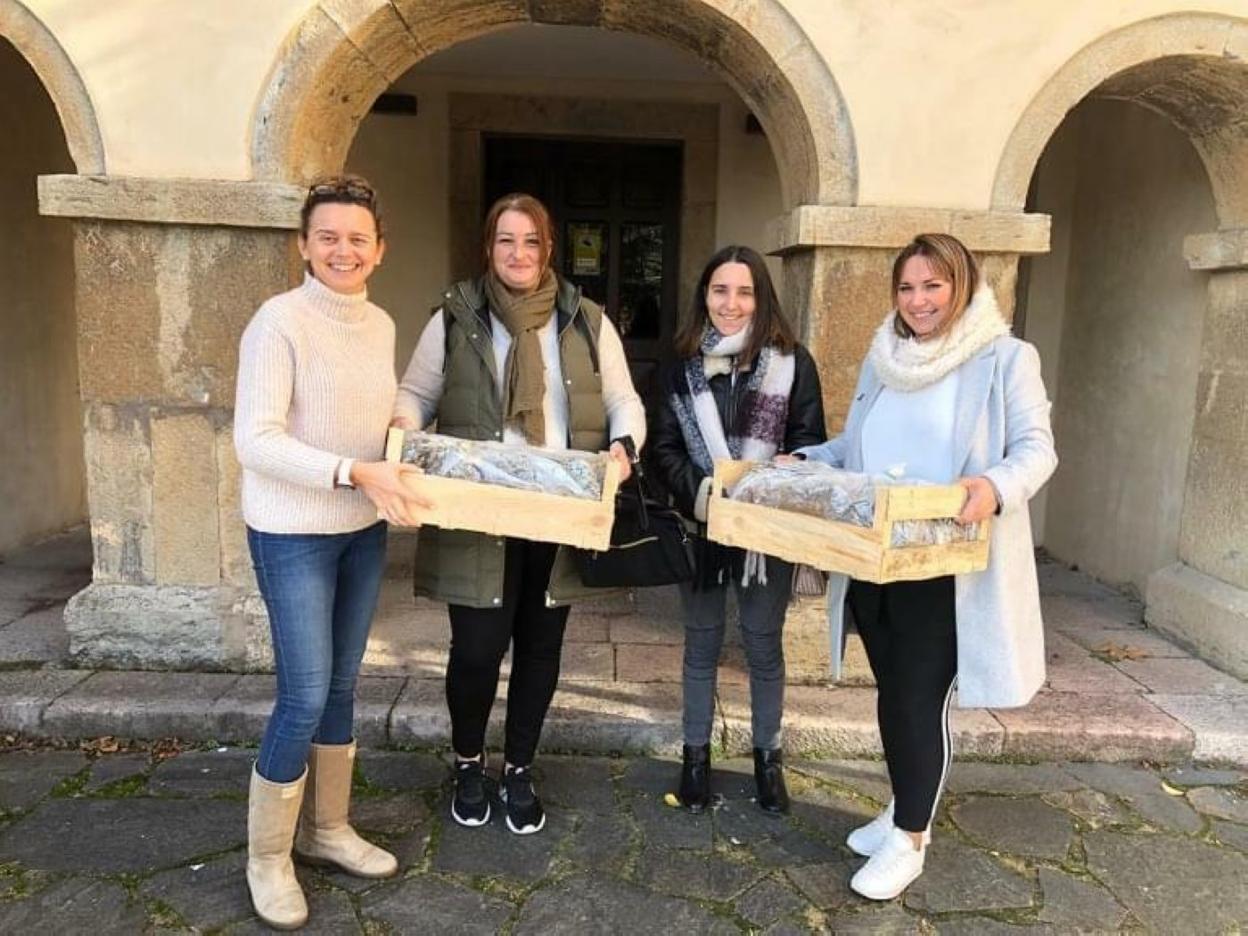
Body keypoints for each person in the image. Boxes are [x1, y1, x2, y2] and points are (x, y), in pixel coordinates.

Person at [793, 233, 1057, 900]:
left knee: (918, 698)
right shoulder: (884, 360)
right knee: (891, 691)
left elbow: (1036, 447)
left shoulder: (1004, 358)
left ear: (960, 286)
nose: (918, 300)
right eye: (907, 287)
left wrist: (994, 487)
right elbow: (855, 445)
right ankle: (900, 804)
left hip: (947, 562)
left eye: (932, 286)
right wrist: (810, 461)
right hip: (876, 556)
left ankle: (911, 838)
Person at [392, 192, 645, 836]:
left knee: (540, 649)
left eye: (531, 240)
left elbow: (623, 399)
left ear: (549, 248)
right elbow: (416, 393)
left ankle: (520, 768)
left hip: (558, 511)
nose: (519, 253)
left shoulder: (585, 321)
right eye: (506, 240)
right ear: (488, 248)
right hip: (478, 508)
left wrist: (622, 448)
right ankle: (470, 761)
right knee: (477, 649)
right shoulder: (455, 317)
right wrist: (402, 430)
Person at [233, 175, 431, 930]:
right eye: (328, 237)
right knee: (304, 695)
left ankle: (327, 831)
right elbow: (255, 439)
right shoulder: (276, 322)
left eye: (357, 238)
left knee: (344, 687)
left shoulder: (378, 324)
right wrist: (352, 472)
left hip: (360, 528)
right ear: (304, 246)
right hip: (291, 533)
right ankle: (267, 859)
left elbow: (378, 411)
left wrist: (407, 432)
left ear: (378, 250)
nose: (342, 249)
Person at [651, 245, 826, 815]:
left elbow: (809, 440)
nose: (731, 303)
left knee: (762, 645)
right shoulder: (678, 366)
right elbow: (664, 450)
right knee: (700, 646)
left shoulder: (792, 362)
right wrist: (703, 495)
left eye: (744, 291)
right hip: (699, 528)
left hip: (763, 534)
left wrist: (777, 477)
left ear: (761, 297)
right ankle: (695, 758)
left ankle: (767, 760)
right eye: (720, 290)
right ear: (704, 294)